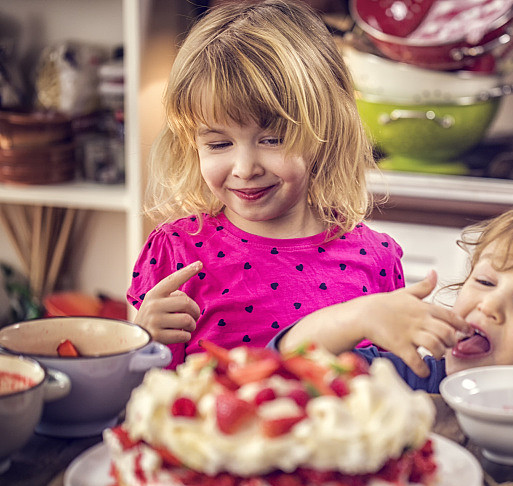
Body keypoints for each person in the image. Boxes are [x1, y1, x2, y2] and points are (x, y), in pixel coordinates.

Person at [128, 0, 404, 369]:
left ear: (325, 130)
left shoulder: (377, 259)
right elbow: (141, 396)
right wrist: (144, 343)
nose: (244, 168)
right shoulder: (175, 252)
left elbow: (391, 387)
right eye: (219, 144)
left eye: (272, 139)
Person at [271, 202, 513, 392]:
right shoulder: (409, 376)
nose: (490, 305)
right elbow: (285, 362)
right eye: (483, 281)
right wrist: (358, 316)